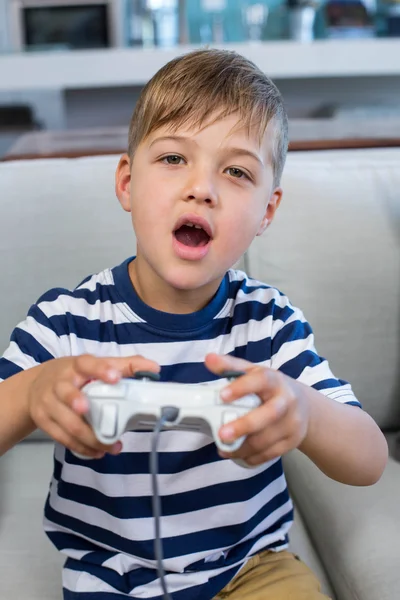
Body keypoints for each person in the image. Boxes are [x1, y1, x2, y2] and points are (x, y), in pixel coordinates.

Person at [0, 49, 388, 600]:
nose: (202, 187)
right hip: (111, 578)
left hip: (252, 568)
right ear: (127, 184)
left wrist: (302, 412)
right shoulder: (67, 322)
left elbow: (370, 460)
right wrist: (36, 390)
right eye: (174, 158)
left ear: (266, 212)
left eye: (236, 171)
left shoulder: (270, 324)